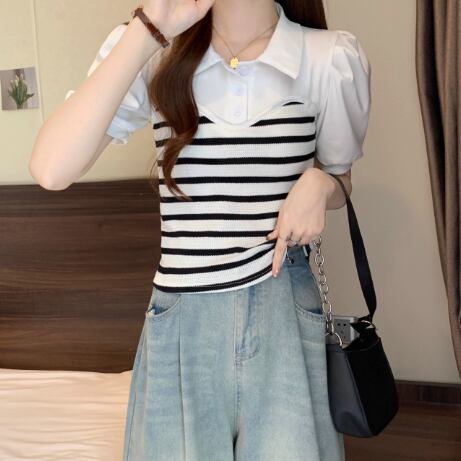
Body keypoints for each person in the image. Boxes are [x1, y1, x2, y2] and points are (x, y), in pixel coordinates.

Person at [29, 0, 371, 459]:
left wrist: (321, 183)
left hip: (284, 315)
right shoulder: (156, 53)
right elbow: (51, 169)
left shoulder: (328, 58)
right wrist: (151, 28)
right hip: (183, 319)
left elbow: (340, 177)